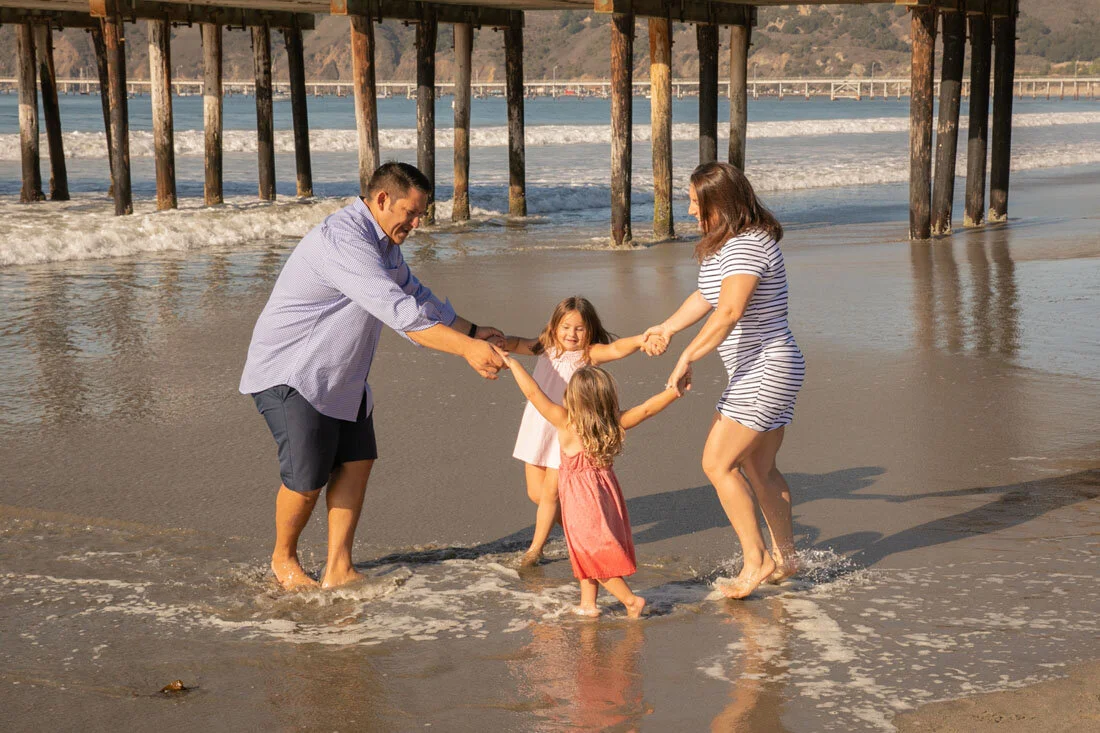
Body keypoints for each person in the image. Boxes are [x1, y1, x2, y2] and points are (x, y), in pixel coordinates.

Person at [239, 162, 505, 591]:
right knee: (307, 482)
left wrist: (473, 332)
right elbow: (399, 313)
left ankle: (338, 567)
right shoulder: (344, 241)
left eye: (421, 215)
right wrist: (467, 350)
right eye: (412, 213)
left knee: (356, 463)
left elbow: (417, 297)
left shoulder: (383, 244)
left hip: (342, 377)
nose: (417, 224)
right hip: (293, 373)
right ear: (382, 200)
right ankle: (283, 558)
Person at [643, 161, 805, 599]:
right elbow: (706, 296)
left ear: (721, 203)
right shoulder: (731, 245)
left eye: (697, 203)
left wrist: (688, 355)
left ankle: (758, 560)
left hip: (764, 369)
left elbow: (729, 311)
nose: (691, 211)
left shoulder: (748, 246)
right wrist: (667, 328)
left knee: (717, 464)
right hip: (769, 367)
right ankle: (786, 558)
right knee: (759, 467)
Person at [497, 351, 686, 618]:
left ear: (572, 397)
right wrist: (672, 391)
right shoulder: (613, 422)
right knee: (584, 548)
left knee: (590, 552)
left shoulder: (565, 421)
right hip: (606, 493)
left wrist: (513, 364)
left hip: (580, 499)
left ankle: (631, 601)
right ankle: (588, 604)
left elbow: (533, 394)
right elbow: (646, 409)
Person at [501, 297, 664, 567]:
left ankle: (535, 550)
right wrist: (497, 342)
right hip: (538, 422)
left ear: (589, 329)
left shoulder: (590, 353)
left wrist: (639, 340)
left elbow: (616, 349)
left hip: (566, 429)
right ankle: (584, 533)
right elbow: (518, 343)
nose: (571, 334)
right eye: (566, 327)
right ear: (554, 327)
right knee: (536, 494)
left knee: (551, 496)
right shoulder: (546, 346)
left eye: (579, 328)